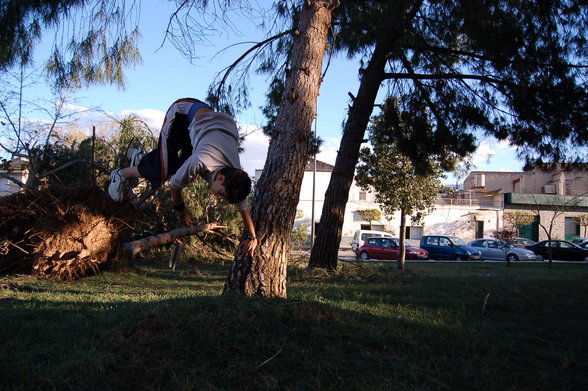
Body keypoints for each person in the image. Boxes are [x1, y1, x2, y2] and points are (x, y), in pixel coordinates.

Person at [108, 98, 257, 257]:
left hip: (210, 126)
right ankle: (121, 174)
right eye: (221, 194)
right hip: (183, 113)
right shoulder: (201, 161)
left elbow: (243, 207)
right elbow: (175, 186)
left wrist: (252, 237)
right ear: (220, 178)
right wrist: (181, 212)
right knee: (163, 172)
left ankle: (140, 160)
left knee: (176, 168)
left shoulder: (235, 177)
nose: (218, 197)